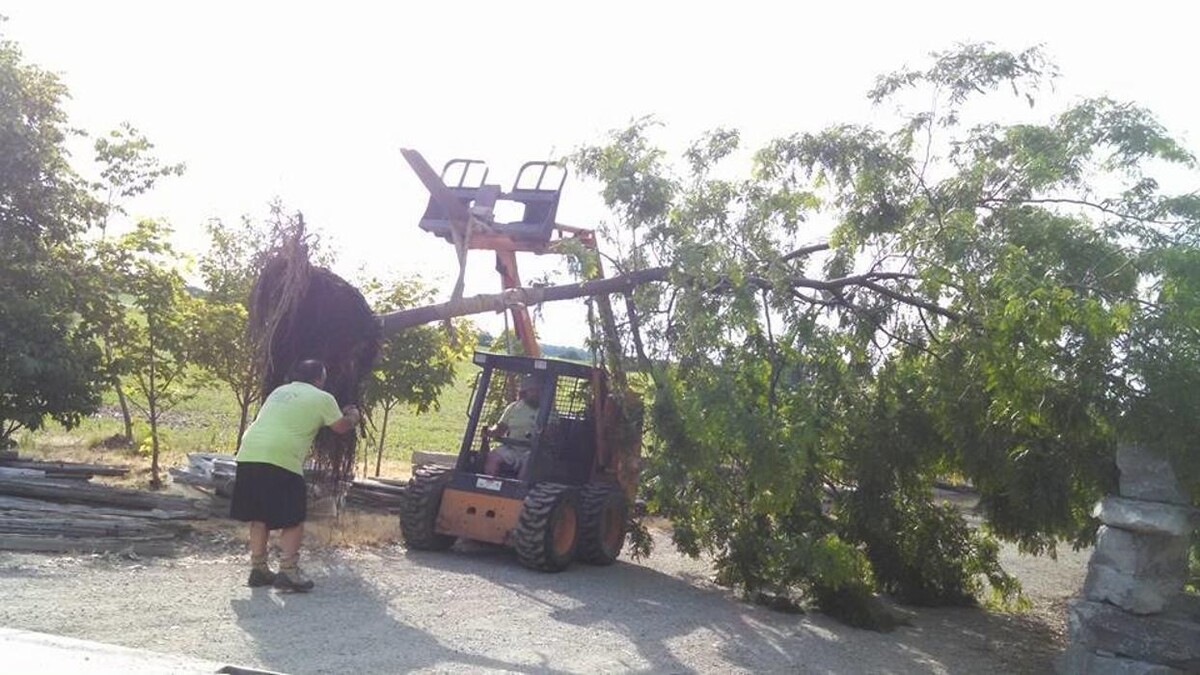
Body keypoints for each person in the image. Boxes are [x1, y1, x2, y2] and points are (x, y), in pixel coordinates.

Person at [230, 359, 359, 592]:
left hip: (249, 453)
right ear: (319, 378)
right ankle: (288, 571)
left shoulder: (279, 391)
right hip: (281, 458)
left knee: (260, 515)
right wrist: (352, 416)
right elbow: (339, 427)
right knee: (293, 517)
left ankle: (258, 569)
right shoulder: (323, 397)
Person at [483, 374, 543, 478]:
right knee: (493, 456)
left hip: (533, 451)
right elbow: (501, 428)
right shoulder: (513, 408)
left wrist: (541, 435)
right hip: (512, 448)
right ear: (525, 392)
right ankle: (488, 486)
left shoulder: (547, 410)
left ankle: (517, 489)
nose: (535, 394)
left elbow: (552, 432)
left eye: (538, 390)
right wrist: (490, 431)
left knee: (530, 461)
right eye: (532, 390)